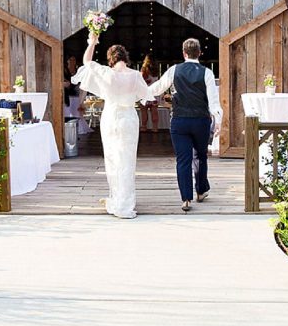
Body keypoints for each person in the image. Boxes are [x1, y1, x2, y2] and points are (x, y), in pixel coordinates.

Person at [72, 33, 151, 219]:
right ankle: (126, 202)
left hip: (110, 117)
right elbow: (146, 96)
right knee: (127, 160)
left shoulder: (106, 73)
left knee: (113, 159)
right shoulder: (135, 75)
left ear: (111, 59)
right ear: (125, 58)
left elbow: (86, 60)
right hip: (129, 118)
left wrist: (92, 41)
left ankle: (117, 198)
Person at [144, 37, 222, 212]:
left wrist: (139, 93)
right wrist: (218, 122)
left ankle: (186, 198)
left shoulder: (174, 70)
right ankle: (201, 191)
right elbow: (213, 102)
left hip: (179, 121)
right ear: (199, 53)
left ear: (184, 53)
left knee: (183, 159)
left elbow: (157, 88)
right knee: (200, 156)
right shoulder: (207, 73)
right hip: (201, 121)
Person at [139, 54, 159, 133]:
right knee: (154, 111)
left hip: (145, 93)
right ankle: (155, 128)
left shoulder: (144, 69)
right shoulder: (156, 69)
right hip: (154, 93)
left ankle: (144, 127)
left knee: (144, 111)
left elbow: (141, 81)